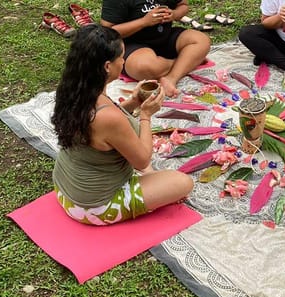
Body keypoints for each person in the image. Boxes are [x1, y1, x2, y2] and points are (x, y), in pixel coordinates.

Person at [51, 25, 194, 226]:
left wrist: (133, 102)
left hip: (64, 188)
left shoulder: (72, 90)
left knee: (156, 175)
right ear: (108, 66)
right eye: (122, 57)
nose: (124, 61)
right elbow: (142, 161)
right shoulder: (107, 116)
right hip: (93, 207)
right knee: (183, 183)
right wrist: (146, 115)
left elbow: (100, 128)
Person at [101, 0, 211, 97]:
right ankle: (189, 61)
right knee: (146, 67)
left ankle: (171, 78)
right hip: (132, 43)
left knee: (201, 40)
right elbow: (107, 31)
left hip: (165, 36)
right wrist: (143, 22)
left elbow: (183, 5)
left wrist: (174, 14)